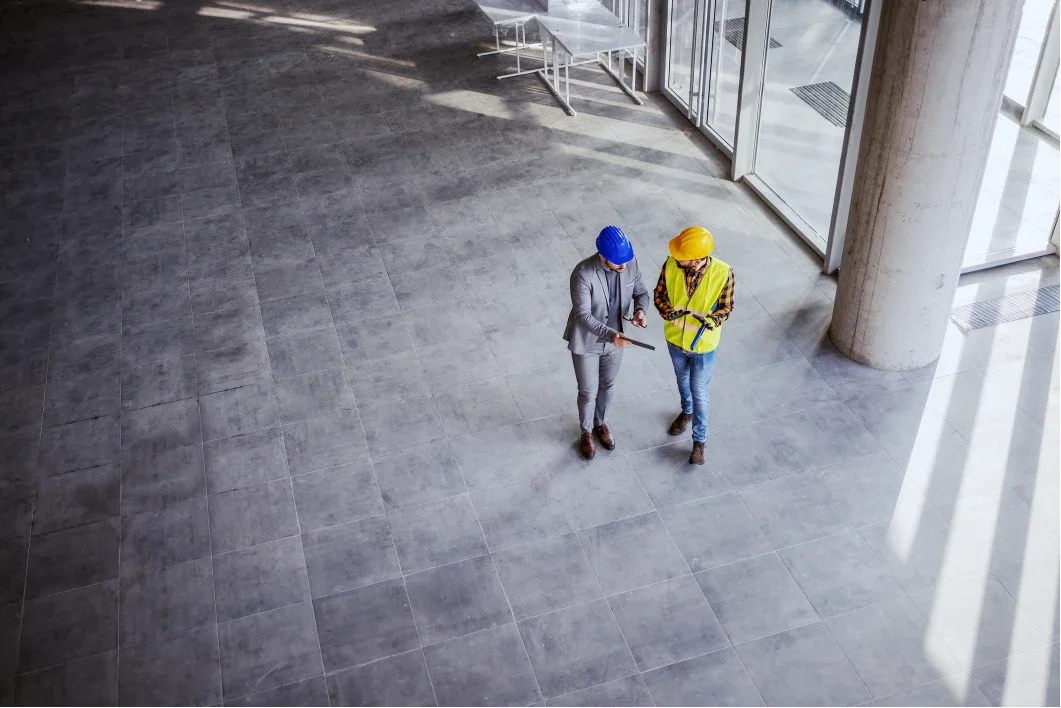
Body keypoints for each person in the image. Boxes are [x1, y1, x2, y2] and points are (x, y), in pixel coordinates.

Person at [563, 226, 650, 460]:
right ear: (602, 257)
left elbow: (641, 292)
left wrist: (641, 310)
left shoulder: (628, 263)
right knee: (588, 391)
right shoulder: (583, 273)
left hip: (615, 342)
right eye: (617, 263)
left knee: (608, 384)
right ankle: (586, 432)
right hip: (588, 343)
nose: (623, 267)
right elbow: (582, 315)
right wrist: (611, 334)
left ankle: (601, 423)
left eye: (625, 261)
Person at [653, 226, 735, 465]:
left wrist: (713, 320)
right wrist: (668, 312)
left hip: (703, 347)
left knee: (699, 391)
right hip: (675, 340)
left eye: (683, 257)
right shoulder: (670, 264)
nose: (677, 258)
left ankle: (699, 441)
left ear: (697, 259)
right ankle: (686, 411)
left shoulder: (723, 273)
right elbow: (660, 295)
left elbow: (726, 307)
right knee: (682, 381)